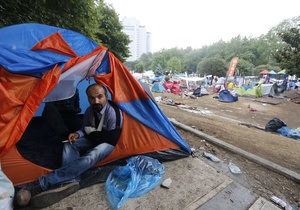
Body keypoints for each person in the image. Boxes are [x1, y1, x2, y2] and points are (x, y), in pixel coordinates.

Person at [17, 83, 123, 208]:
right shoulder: (90, 111)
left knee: (92, 155)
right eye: (91, 98)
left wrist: (92, 133)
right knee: (69, 144)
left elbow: (112, 139)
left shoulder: (113, 112)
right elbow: (85, 129)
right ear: (88, 98)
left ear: (106, 96)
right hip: (95, 137)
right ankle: (71, 181)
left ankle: (41, 184)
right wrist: (77, 134)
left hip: (109, 144)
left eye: (100, 97)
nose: (96, 101)